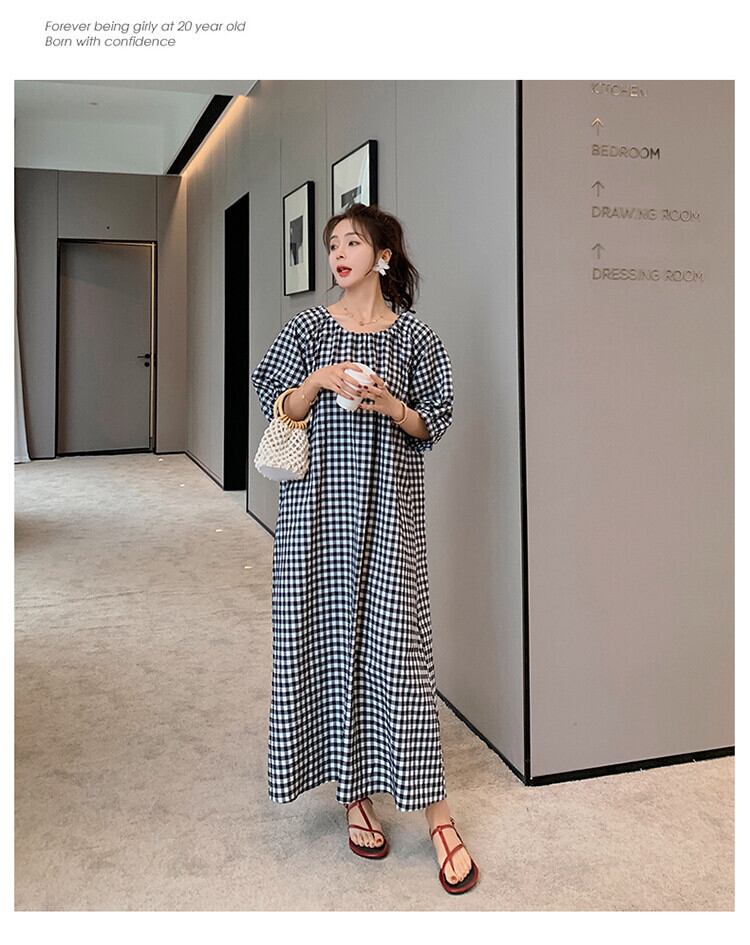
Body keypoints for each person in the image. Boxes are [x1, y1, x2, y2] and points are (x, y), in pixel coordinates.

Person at [251, 202, 479, 894]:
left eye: (351, 242)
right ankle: (352, 794)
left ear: (382, 254)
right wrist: (318, 381)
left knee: (399, 659)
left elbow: (433, 420)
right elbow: (276, 404)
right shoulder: (307, 329)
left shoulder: (416, 338)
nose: (339, 254)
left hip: (389, 521)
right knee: (324, 648)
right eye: (331, 245)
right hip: (315, 519)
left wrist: (389, 405)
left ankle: (438, 816)